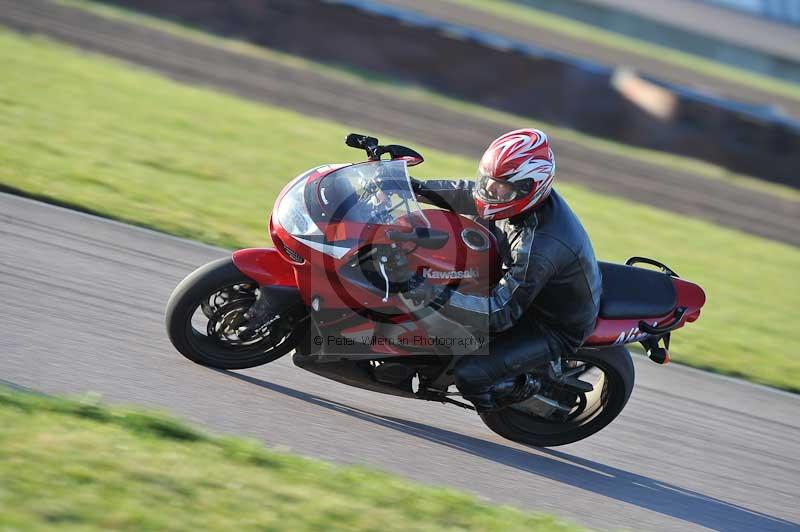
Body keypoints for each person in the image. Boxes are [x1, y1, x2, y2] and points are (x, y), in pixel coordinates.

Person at [409, 129, 602, 411]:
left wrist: (431, 295)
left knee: (470, 375)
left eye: (502, 189)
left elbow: (501, 314)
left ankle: (506, 403)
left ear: (530, 188)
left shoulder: (538, 247)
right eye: (489, 183)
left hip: (548, 324)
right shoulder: (511, 199)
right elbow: (468, 193)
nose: (491, 193)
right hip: (522, 287)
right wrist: (412, 187)